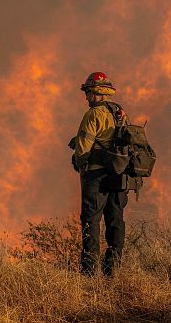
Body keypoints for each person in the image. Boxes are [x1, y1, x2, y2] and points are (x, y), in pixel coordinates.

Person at [68, 71, 128, 276]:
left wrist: (79, 163)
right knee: (115, 219)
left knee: (91, 220)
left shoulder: (93, 114)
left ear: (94, 92)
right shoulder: (119, 112)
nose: (86, 98)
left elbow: (83, 149)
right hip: (119, 174)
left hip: (96, 176)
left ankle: (89, 271)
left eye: (87, 93)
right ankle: (112, 270)